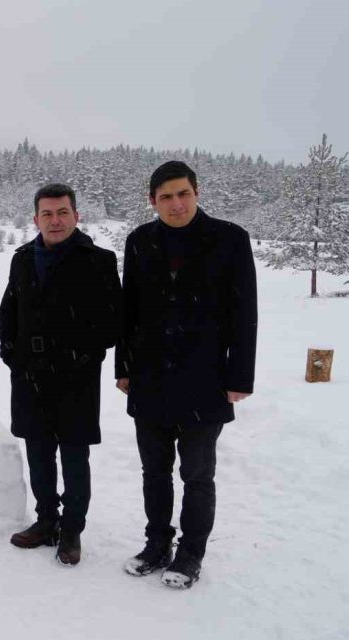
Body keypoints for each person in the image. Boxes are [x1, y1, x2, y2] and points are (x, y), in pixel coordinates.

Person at [116, 161, 257, 589]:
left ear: (196, 192)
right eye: (165, 197)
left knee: (197, 473)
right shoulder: (140, 241)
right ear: (152, 201)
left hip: (205, 378)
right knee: (154, 471)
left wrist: (240, 377)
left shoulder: (230, 240)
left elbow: (244, 314)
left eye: (183, 194)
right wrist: (124, 367)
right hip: (151, 377)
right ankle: (157, 544)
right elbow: (129, 311)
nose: (176, 204)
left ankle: (190, 554)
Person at [0, 183, 122, 566]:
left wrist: (77, 354)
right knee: (37, 453)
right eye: (47, 214)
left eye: (62, 212)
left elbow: (113, 323)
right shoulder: (22, 258)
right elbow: (9, 311)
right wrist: (12, 355)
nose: (55, 220)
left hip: (76, 378)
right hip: (30, 376)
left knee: (73, 456)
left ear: (76, 215)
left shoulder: (98, 260)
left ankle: (71, 531)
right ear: (35, 218)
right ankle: (46, 520)